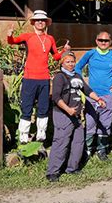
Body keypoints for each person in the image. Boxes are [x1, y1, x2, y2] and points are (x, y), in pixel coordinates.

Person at [7, 10, 70, 144]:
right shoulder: (27, 36)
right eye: (38, 20)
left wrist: (64, 50)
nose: (40, 22)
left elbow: (56, 56)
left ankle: (41, 134)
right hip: (30, 77)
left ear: (46, 23)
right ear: (33, 23)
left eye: (43, 20)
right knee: (27, 107)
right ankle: (24, 136)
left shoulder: (50, 39)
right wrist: (10, 35)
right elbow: (12, 42)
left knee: (43, 107)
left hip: (44, 78)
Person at [46, 51, 106, 182]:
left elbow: (87, 90)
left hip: (76, 116)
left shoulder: (77, 76)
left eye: (73, 62)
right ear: (62, 62)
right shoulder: (59, 77)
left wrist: (98, 99)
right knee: (61, 143)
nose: (71, 64)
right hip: (63, 114)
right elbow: (56, 97)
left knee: (78, 142)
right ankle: (53, 172)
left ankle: (72, 168)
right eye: (68, 62)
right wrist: (67, 109)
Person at [75, 31, 112, 161]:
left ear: (110, 42)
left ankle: (102, 150)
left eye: (106, 41)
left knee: (105, 124)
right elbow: (77, 68)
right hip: (92, 95)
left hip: (108, 95)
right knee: (90, 122)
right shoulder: (90, 54)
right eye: (101, 40)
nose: (103, 43)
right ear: (96, 41)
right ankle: (87, 150)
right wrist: (83, 84)